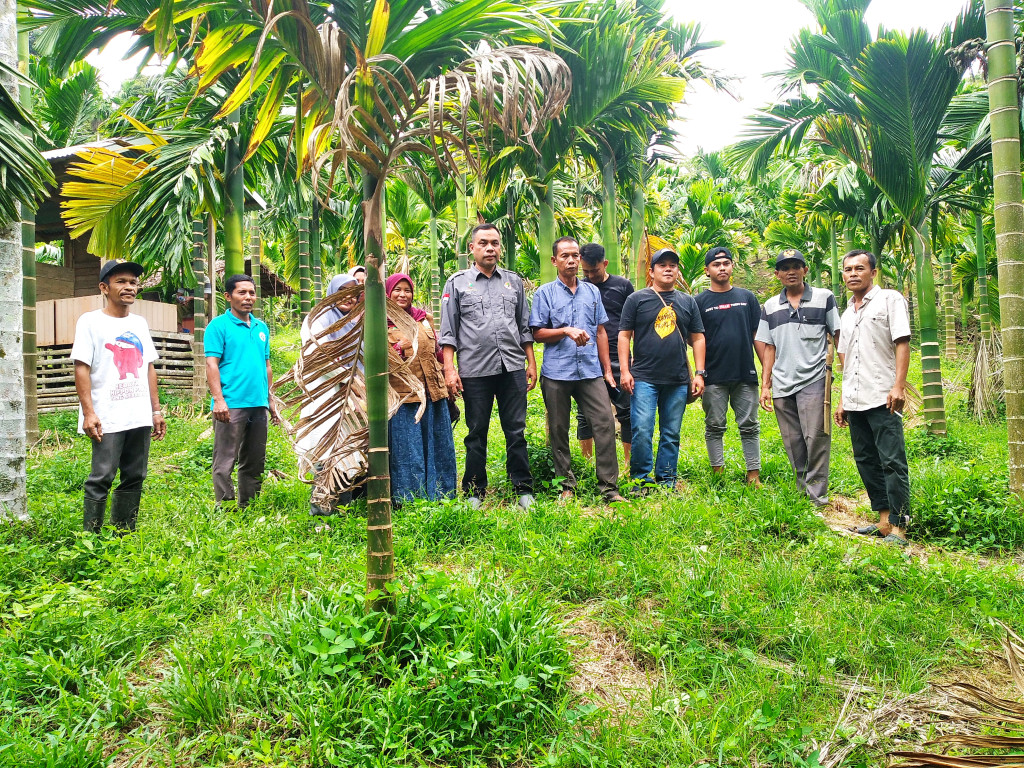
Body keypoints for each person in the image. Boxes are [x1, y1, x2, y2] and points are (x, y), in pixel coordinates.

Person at [439, 222, 537, 510]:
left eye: (494, 243)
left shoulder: (514, 282)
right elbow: (448, 331)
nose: (490, 248)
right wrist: (449, 368)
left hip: (512, 368)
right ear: (472, 248)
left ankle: (523, 488)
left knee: (516, 431)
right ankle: (473, 491)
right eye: (483, 243)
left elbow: (523, 327)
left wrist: (530, 363)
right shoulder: (456, 283)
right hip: (474, 370)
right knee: (476, 431)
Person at [72, 259, 167, 533]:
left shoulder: (139, 323)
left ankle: (124, 532)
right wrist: (89, 413)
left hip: (138, 415)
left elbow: (148, 367)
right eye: (121, 282)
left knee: (135, 475)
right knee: (102, 476)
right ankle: (91, 536)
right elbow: (82, 367)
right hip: (106, 415)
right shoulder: (90, 321)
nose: (129, 287)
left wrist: (156, 410)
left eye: (133, 282)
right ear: (104, 287)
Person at [530, 237, 626, 503]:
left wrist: (607, 369)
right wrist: (564, 330)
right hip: (557, 373)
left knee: (605, 424)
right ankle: (566, 486)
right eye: (565, 256)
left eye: (575, 255)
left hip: (590, 371)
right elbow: (537, 333)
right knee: (559, 429)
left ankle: (609, 488)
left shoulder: (592, 292)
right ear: (554, 261)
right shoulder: (544, 293)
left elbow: (601, 331)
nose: (571, 260)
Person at [834, 250, 912, 547]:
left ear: (873, 272)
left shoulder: (889, 300)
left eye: (859, 268)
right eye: (847, 269)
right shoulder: (846, 313)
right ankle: (882, 519)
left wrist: (899, 386)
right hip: (855, 399)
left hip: (883, 396)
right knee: (866, 460)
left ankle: (900, 527)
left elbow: (902, 342)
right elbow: (846, 361)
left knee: (892, 461)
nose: (853, 273)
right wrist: (842, 399)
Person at [755, 249, 840, 507]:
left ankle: (817, 498)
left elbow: (838, 335)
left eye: (796, 266)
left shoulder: (824, 298)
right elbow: (767, 346)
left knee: (816, 438)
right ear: (777, 274)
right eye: (785, 267)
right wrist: (766, 384)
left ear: (805, 270)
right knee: (793, 442)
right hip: (782, 382)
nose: (791, 271)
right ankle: (803, 493)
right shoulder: (769, 306)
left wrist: (844, 375)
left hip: (813, 380)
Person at [619, 248, 706, 490]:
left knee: (671, 433)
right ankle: (641, 481)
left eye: (672, 265)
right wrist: (625, 371)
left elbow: (698, 338)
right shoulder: (636, 299)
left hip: (678, 380)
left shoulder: (688, 301)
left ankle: (667, 480)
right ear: (652, 271)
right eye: (662, 265)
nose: (668, 269)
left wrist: (699, 373)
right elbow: (624, 336)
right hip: (644, 378)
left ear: (678, 271)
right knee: (642, 430)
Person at [205, 274, 281, 509]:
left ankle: (249, 505)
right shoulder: (218, 326)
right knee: (225, 459)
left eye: (251, 293)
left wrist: (270, 399)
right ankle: (226, 507)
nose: (248, 298)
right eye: (242, 292)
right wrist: (219, 400)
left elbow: (266, 365)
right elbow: (211, 364)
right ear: (228, 296)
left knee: (254, 459)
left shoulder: (261, 328)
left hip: (258, 403)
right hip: (232, 403)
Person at [386, 272, 457, 503]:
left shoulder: (423, 318)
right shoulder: (379, 321)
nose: (402, 294)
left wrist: (450, 372)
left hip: (433, 394)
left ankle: (442, 494)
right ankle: (409, 500)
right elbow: (376, 361)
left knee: (438, 445)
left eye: (407, 290)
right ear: (388, 292)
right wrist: (399, 347)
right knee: (408, 451)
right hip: (405, 398)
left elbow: (436, 351)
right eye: (397, 289)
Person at [695, 247, 764, 484]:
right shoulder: (699, 302)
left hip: (745, 373)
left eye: (726, 263)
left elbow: (757, 335)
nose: (722, 267)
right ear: (707, 270)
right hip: (713, 376)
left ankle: (753, 475)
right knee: (714, 426)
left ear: (732, 266)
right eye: (716, 264)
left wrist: (766, 373)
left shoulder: (747, 298)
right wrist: (699, 373)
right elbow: (696, 340)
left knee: (750, 426)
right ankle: (718, 474)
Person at [298, 273, 362, 515]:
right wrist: (348, 377)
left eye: (353, 293)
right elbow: (318, 355)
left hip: (352, 398)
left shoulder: (356, 321)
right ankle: (322, 509)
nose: (349, 297)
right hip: (326, 395)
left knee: (348, 453)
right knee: (326, 449)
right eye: (342, 291)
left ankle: (343, 508)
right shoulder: (319, 318)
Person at [578, 242, 634, 466]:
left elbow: (634, 324)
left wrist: (633, 360)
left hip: (618, 358)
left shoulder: (623, 286)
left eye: (595, 270)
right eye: (586, 272)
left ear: (605, 264)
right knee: (584, 415)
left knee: (626, 411)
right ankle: (586, 463)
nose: (590, 275)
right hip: (588, 358)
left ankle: (629, 463)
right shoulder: (579, 286)